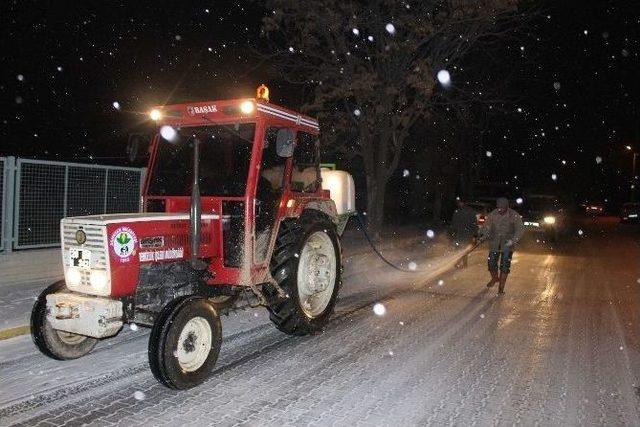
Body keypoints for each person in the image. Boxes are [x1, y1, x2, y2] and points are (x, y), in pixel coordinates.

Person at [479, 197, 525, 294]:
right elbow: (487, 226)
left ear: (506, 207)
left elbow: (520, 229)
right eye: (498, 207)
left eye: (502, 208)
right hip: (494, 243)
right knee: (491, 263)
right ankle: (495, 278)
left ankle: (501, 288)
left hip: (507, 244)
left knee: (504, 266)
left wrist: (513, 241)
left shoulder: (513, 215)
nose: (500, 209)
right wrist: (482, 235)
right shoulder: (493, 214)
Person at [450, 199, 478, 268]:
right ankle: (463, 263)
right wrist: (475, 234)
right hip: (465, 234)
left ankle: (461, 263)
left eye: (460, 203)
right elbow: (474, 224)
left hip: (463, 234)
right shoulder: (470, 212)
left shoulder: (458, 212)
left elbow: (454, 224)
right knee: (463, 249)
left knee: (462, 249)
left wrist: (453, 232)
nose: (459, 204)